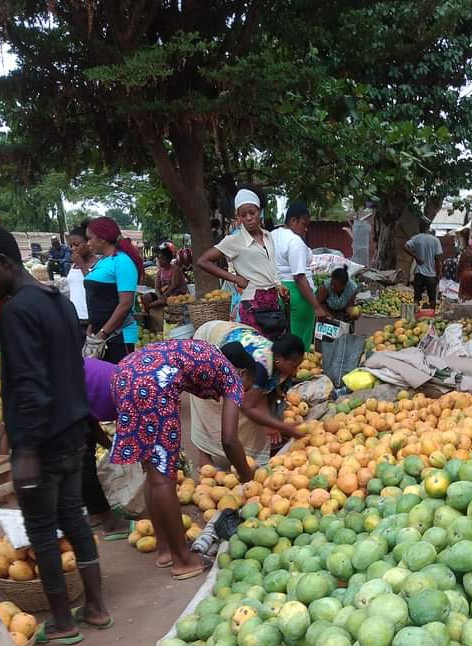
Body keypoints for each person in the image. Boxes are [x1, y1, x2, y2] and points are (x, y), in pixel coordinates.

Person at [0, 224, 111, 644]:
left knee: (41, 527)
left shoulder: (18, 311)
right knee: (73, 514)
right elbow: (68, 368)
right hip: (73, 428)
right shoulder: (54, 299)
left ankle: (62, 621)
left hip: (43, 438)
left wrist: (25, 450)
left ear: (3, 265)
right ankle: (94, 607)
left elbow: (29, 385)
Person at [110, 339, 255, 579]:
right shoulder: (232, 376)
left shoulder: (209, 354)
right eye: (246, 388)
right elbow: (229, 439)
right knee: (164, 477)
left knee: (153, 471)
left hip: (125, 374)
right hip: (153, 384)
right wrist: (248, 477)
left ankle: (165, 550)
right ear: (243, 373)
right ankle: (183, 561)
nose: (240, 395)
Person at [191, 320, 305, 465]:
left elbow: (260, 394)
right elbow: (247, 406)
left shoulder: (275, 359)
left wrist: (269, 422)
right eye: (293, 366)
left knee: (244, 409)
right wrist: (282, 426)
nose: (295, 372)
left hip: (237, 336)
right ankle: (205, 456)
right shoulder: (262, 366)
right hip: (211, 336)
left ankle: (246, 457)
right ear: (279, 360)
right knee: (210, 403)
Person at [197, 188, 290, 335]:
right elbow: (203, 261)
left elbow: (271, 266)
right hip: (252, 303)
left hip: (272, 301)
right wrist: (235, 278)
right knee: (257, 350)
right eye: (243, 215)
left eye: (252, 213)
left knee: (275, 350)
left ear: (259, 212)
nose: (248, 218)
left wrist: (279, 286)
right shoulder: (234, 240)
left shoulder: (268, 236)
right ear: (238, 217)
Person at [81, 357, 131, 538]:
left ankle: (94, 514)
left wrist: (111, 447)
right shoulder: (140, 393)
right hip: (68, 391)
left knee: (84, 456)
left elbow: (91, 425)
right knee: (82, 461)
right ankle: (107, 519)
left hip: (77, 388)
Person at [272, 201, 330, 349]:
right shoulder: (294, 241)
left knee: (283, 340)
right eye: (304, 224)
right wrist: (316, 306)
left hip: (278, 290)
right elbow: (299, 277)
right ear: (293, 221)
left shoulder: (272, 235)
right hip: (299, 295)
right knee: (299, 344)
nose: (306, 229)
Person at [84, 217, 142, 363]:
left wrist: (103, 333)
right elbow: (99, 297)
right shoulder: (103, 261)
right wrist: (93, 326)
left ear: (102, 238)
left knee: (117, 381)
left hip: (118, 337)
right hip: (100, 335)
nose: (88, 243)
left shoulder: (122, 262)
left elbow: (125, 304)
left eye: (90, 238)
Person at [142, 243, 189, 316]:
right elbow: (157, 287)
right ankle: (150, 312)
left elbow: (174, 285)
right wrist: (159, 295)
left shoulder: (175, 269)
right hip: (163, 294)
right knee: (145, 297)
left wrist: (163, 296)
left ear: (168, 259)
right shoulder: (160, 271)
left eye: (162, 258)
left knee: (166, 300)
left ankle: (149, 307)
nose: (159, 260)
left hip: (176, 294)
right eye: (158, 258)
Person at [404, 225, 443, 310]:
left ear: (419, 228)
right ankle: (432, 315)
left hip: (419, 273)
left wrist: (416, 257)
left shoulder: (416, 238)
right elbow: (437, 259)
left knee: (417, 298)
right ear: (428, 228)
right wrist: (439, 273)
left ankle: (414, 315)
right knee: (432, 299)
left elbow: (405, 247)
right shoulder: (435, 240)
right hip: (431, 274)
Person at [66, 224, 97, 330]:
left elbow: (94, 287)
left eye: (76, 244)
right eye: (71, 246)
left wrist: (83, 265)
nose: (73, 249)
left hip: (90, 320)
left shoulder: (98, 264)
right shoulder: (73, 265)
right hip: (73, 317)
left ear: (88, 242)